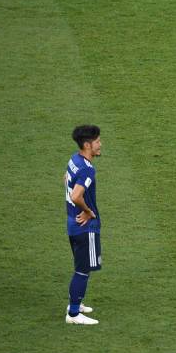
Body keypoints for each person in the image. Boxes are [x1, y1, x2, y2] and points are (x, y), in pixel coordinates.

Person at [64, 125, 103, 325]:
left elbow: (66, 179)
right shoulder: (87, 169)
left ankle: (76, 304)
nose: (100, 144)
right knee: (83, 269)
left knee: (80, 266)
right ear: (87, 145)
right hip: (83, 227)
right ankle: (73, 314)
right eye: (97, 141)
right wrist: (88, 211)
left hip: (72, 223)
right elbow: (75, 195)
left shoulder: (75, 159)